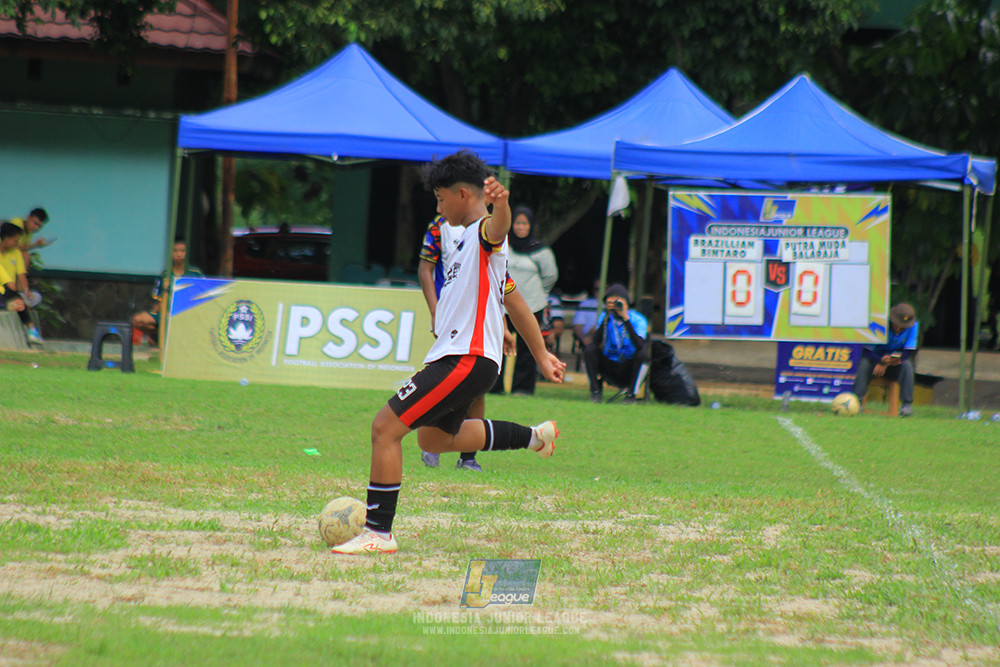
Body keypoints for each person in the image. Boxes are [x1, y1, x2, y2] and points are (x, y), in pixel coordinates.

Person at [331, 150, 565, 555]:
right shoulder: (464, 245)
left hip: (465, 359)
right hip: (466, 358)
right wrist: (540, 354)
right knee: (433, 440)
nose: (438, 208)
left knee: (384, 428)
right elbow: (514, 302)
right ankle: (534, 437)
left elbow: (498, 227)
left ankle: (378, 533)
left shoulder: (483, 234)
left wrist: (502, 206)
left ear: (462, 195)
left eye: (440, 199)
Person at [500, 205, 559, 395]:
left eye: (524, 223)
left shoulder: (541, 251)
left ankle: (522, 389)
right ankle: (494, 387)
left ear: (531, 226)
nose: (520, 227)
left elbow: (550, 276)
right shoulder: (503, 245)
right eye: (517, 223)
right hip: (504, 306)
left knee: (528, 347)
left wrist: (538, 293)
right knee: (499, 344)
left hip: (532, 306)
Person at [584, 283, 649, 404]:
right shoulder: (605, 318)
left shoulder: (638, 319)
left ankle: (631, 394)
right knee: (590, 349)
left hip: (628, 366)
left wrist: (625, 319)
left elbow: (639, 345)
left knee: (643, 354)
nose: (616, 306)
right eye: (611, 302)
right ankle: (595, 391)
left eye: (618, 302)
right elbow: (596, 341)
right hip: (610, 364)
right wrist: (607, 316)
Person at [131, 238, 204, 347]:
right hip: (166, 315)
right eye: (175, 251)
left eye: (182, 251)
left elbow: (203, 296)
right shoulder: (165, 274)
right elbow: (159, 301)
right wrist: (153, 316)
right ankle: (159, 336)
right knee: (137, 320)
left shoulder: (196, 273)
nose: (178, 254)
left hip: (188, 315)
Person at [851, 302, 918, 416]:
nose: (898, 329)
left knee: (907, 365)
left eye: (902, 327)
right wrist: (880, 360)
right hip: (874, 361)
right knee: (864, 364)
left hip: (893, 363)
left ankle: (906, 405)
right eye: (896, 325)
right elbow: (867, 351)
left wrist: (887, 363)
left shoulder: (914, 326)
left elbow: (907, 352)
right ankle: (857, 403)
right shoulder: (879, 324)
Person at [0, 222, 42, 344]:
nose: (17, 243)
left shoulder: (16, 253)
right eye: (15, 240)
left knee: (32, 297)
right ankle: (30, 328)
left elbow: (21, 274)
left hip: (9, 291)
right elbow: (7, 280)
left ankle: (31, 330)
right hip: (5, 289)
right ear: (7, 239)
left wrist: (27, 291)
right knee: (17, 300)